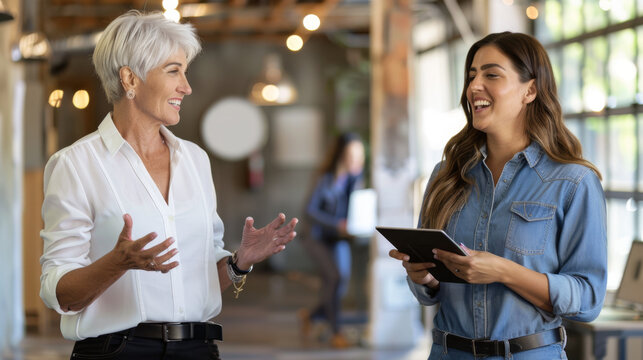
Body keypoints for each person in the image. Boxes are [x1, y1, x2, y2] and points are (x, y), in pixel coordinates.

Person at [39, 11, 298, 360]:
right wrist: (117, 262)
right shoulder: (75, 165)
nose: (186, 87)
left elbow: (199, 280)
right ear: (130, 78)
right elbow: (59, 293)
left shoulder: (194, 160)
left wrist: (239, 262)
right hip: (118, 352)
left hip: (198, 349)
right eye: (173, 70)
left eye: (185, 71)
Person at [389, 32, 607, 359]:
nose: (475, 85)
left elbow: (588, 299)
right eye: (472, 75)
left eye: (491, 74)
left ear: (530, 90)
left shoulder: (573, 182)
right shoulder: (445, 175)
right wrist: (424, 278)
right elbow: (429, 294)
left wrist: (503, 271)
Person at [299, 132, 365, 349]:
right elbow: (310, 212)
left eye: (359, 154)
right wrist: (337, 224)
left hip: (338, 238)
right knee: (334, 278)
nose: (356, 159)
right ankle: (336, 331)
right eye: (351, 154)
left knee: (339, 283)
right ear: (341, 155)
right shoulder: (325, 177)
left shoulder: (356, 179)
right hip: (316, 236)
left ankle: (312, 316)